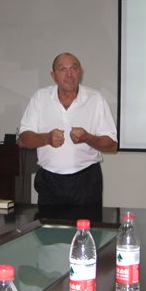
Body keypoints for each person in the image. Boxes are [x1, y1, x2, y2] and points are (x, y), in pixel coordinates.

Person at [17, 52, 117, 221]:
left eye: (73, 68)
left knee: (87, 233)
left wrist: (87, 138)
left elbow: (112, 145)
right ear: (53, 75)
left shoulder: (96, 99)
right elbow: (23, 140)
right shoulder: (40, 98)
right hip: (50, 181)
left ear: (81, 72)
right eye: (62, 69)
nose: (69, 74)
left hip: (86, 181)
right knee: (49, 233)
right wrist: (46, 138)